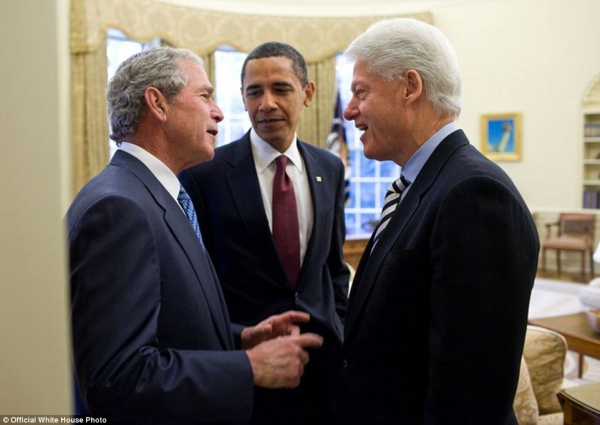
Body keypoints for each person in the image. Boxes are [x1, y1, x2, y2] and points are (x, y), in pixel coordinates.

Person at [67, 46, 324, 424]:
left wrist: (238, 338)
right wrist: (248, 367)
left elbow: (166, 325)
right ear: (158, 103)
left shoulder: (151, 193)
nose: (219, 111)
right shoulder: (119, 209)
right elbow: (118, 381)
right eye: (205, 96)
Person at [334, 18, 540, 425]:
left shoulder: (474, 195)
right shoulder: (421, 182)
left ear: (410, 87)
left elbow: (470, 395)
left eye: (361, 92)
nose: (349, 110)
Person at [179, 41, 350, 425]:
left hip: (322, 366)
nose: (266, 103)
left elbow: (334, 268)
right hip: (244, 369)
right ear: (242, 97)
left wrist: (338, 323)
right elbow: (197, 283)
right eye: (254, 92)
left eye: (281, 89)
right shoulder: (204, 173)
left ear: (307, 94)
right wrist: (237, 340)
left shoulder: (330, 167)